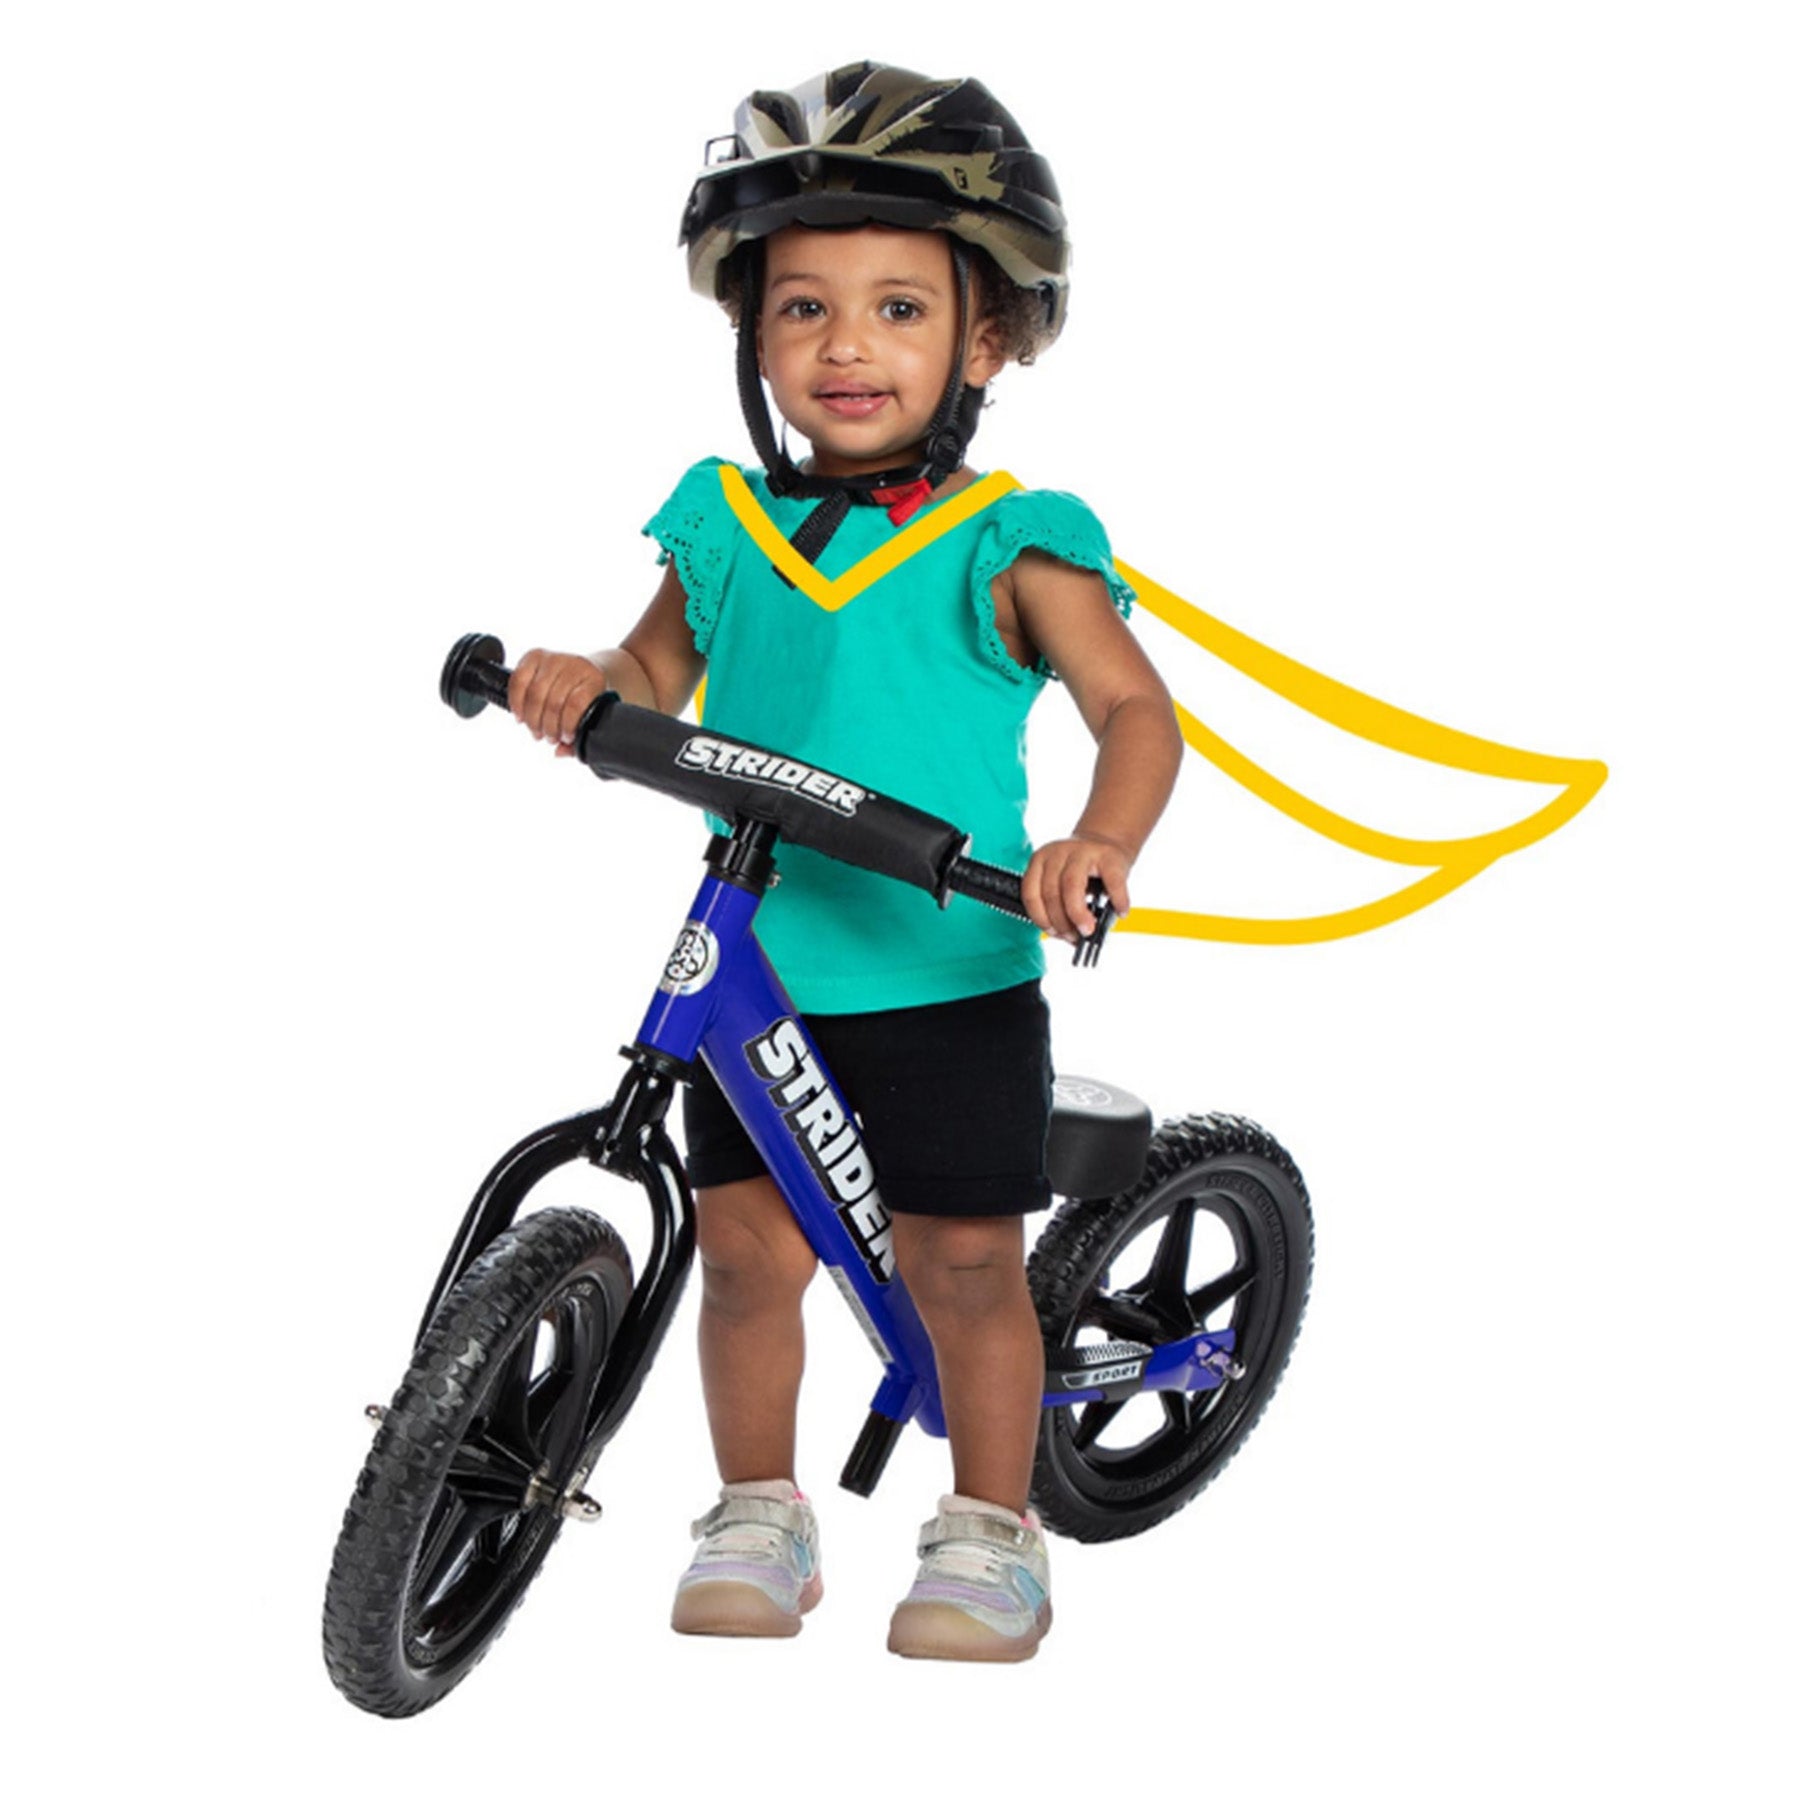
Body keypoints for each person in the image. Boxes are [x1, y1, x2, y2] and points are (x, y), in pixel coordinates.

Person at [507, 62, 1181, 1662]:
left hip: (946, 966)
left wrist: (1102, 836)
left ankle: (992, 1528)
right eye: (802, 309)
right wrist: (587, 687)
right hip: (758, 962)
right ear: (753, 336)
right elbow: (655, 674)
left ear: (987, 341)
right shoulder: (722, 520)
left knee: (964, 1262)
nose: (846, 346)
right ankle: (760, 1510)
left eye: (896, 309)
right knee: (742, 1259)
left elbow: (1136, 710)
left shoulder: (1011, 540)